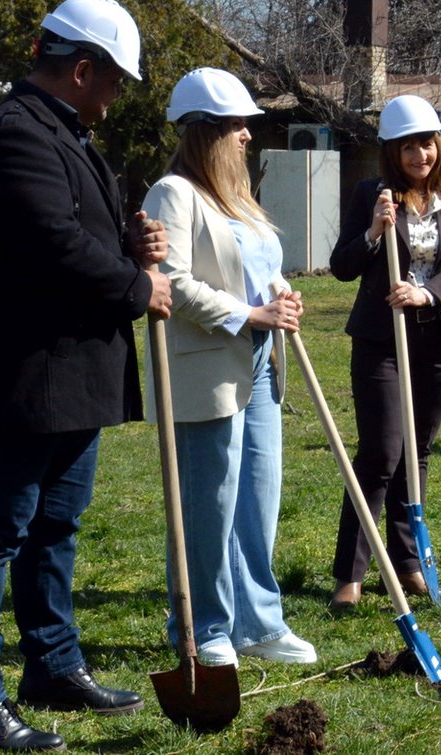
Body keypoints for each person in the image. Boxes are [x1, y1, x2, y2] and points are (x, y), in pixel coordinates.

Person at [0, 0, 172, 751]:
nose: (116, 95)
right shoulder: (14, 135)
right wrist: (139, 286)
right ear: (81, 68)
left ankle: (52, 664)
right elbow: (54, 243)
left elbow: (78, 231)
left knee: (54, 527)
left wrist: (131, 240)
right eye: (114, 80)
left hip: (65, 378)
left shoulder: (60, 131)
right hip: (18, 378)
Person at [142, 68, 314, 667]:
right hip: (208, 367)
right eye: (237, 126)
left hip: (263, 364)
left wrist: (281, 294)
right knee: (209, 503)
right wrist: (249, 314)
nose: (247, 136)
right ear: (208, 133)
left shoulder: (239, 199)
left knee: (258, 499)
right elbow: (174, 283)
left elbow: (257, 268)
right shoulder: (174, 193)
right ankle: (204, 628)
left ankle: (260, 623)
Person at [327, 95, 441, 608]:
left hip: (438, 341)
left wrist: (428, 292)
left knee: (418, 454)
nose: (421, 155)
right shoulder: (372, 194)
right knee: (381, 454)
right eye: (409, 146)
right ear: (392, 150)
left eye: (428, 143)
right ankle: (350, 572)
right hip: (381, 341)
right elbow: (342, 265)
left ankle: (408, 560)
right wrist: (373, 231)